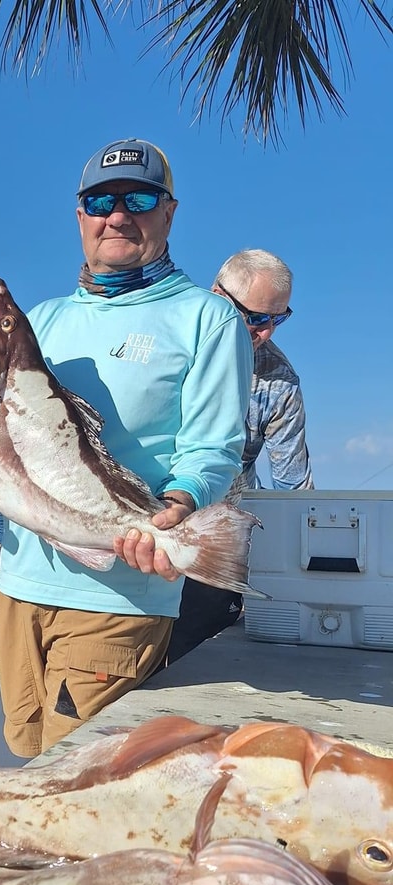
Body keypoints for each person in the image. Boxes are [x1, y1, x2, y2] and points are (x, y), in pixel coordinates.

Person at [0, 138, 254, 760]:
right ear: (79, 215)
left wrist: (178, 507)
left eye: (138, 199)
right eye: (99, 202)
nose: (117, 215)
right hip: (19, 584)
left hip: (120, 596)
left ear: (169, 213)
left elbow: (213, 446)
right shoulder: (42, 318)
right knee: (25, 755)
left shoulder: (206, 319)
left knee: (77, 774)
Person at [166, 249, 313, 665]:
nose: (265, 332)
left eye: (278, 319)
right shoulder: (167, 338)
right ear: (217, 295)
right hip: (144, 518)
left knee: (204, 629)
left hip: (213, 539)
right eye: (256, 317)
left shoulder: (280, 381)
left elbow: (293, 491)